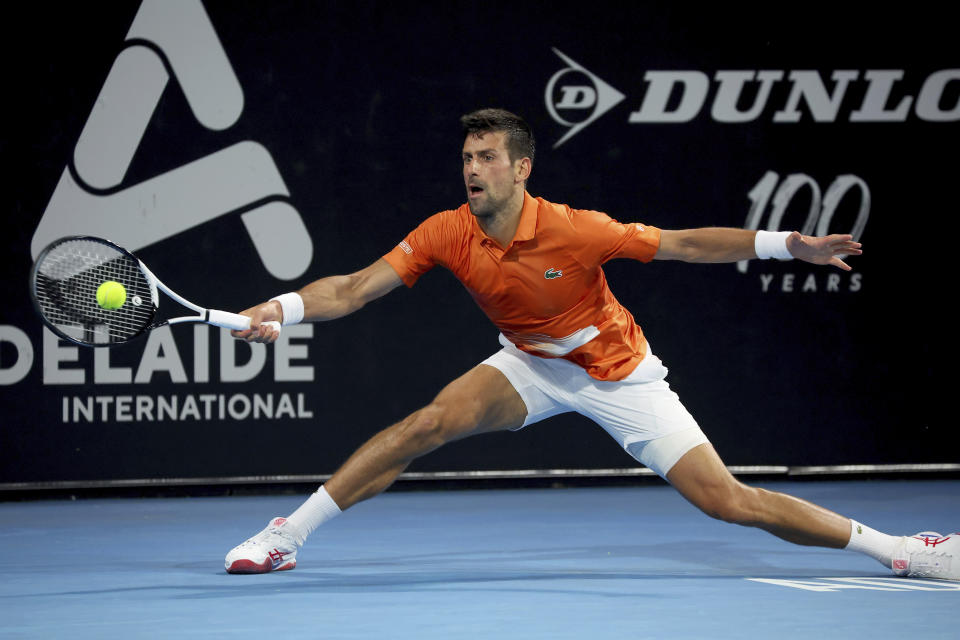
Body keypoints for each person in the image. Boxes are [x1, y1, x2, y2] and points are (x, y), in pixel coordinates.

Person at [223, 108, 956, 580]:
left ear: (521, 168)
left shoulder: (578, 229)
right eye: (466, 158)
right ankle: (288, 534)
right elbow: (352, 288)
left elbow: (685, 245)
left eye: (485, 157)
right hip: (530, 366)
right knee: (426, 424)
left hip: (620, 376)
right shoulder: (448, 230)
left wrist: (781, 245)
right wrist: (282, 310)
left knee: (728, 502)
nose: (471, 169)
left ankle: (898, 550)